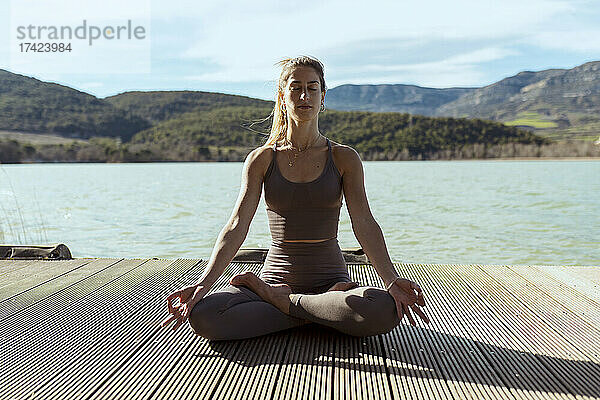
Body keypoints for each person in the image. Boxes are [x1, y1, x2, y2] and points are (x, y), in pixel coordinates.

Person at [160, 56, 429, 340]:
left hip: (332, 283)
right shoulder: (262, 159)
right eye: (295, 87)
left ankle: (285, 305)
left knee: (384, 308)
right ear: (282, 96)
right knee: (205, 315)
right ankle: (320, 315)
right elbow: (237, 224)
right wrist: (203, 283)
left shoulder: (343, 157)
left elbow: (364, 222)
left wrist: (390, 279)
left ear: (322, 96)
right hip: (275, 279)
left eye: (313, 88)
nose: (304, 95)